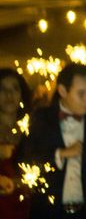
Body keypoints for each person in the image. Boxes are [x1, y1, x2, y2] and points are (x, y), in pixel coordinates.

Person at [24, 63, 86, 218]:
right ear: (63, 90)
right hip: (51, 212)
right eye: (81, 93)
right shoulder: (41, 119)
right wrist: (60, 154)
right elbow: (26, 159)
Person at [0, 68, 31, 219]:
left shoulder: (31, 130)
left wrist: (15, 183)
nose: (9, 95)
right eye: (3, 89)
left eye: (15, 88)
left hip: (25, 209)